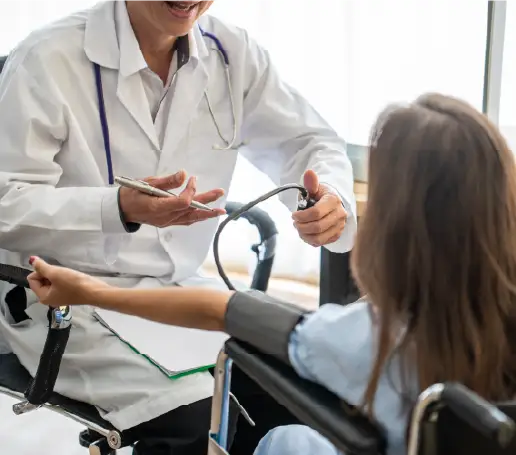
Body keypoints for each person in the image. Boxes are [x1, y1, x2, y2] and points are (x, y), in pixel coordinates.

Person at [26, 93, 516, 455]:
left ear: (396, 228)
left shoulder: (370, 336)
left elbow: (222, 310)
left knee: (287, 439)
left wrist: (85, 289)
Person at [0, 0, 356, 453]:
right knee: (193, 421)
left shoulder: (232, 53)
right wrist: (117, 208)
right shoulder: (47, 58)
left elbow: (309, 141)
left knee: (291, 393)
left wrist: (327, 198)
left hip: (176, 289)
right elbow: (5, 204)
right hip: (65, 300)